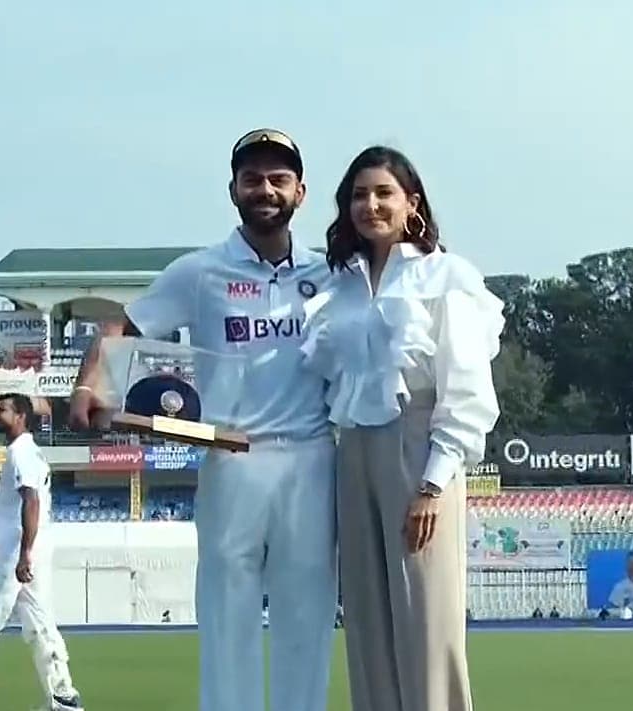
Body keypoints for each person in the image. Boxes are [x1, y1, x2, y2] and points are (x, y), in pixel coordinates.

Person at [68, 128, 337, 711]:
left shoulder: (329, 274)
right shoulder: (200, 271)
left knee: (307, 613)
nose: (265, 189)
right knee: (226, 610)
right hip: (230, 453)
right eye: (252, 179)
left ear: (301, 192)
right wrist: (91, 381)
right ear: (233, 190)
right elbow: (123, 326)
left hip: (313, 455)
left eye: (278, 179)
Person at [301, 146, 504, 711]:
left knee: (426, 625)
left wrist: (433, 484)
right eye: (358, 195)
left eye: (383, 193)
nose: (370, 205)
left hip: (417, 450)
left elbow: (465, 391)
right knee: (366, 625)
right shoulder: (339, 286)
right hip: (353, 451)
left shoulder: (446, 277)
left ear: (411, 203)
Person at [0, 393, 83, 711]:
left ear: (21, 415)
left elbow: (31, 502)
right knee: (40, 623)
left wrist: (24, 555)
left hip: (15, 552)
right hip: (26, 547)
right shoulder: (23, 452)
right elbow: (6, 518)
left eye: (3, 410)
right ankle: (63, 695)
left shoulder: (21, 452)